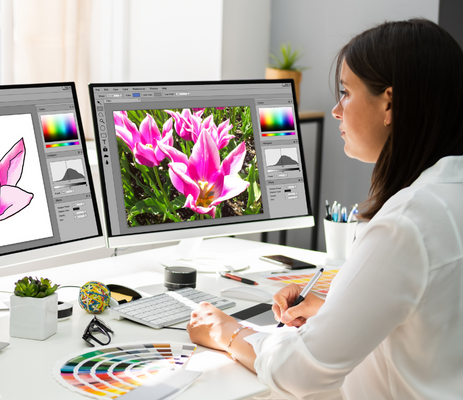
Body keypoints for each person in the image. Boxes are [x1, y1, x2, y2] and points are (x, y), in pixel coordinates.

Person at [187, 18, 463, 400]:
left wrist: (230, 333)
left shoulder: (407, 222)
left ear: (389, 103)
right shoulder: (447, 194)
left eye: (345, 92)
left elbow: (299, 372)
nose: (335, 110)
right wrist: (341, 306)